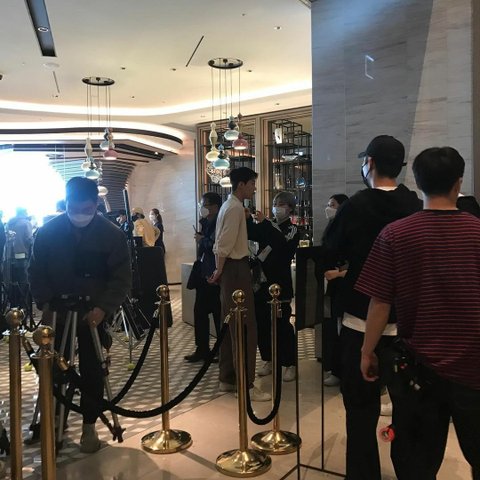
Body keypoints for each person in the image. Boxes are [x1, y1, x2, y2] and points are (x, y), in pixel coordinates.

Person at [358, 147, 480, 480]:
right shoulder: (477, 232)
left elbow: (380, 303)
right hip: (474, 366)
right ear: (458, 183)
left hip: (419, 369)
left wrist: (367, 351)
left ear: (417, 181)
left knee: (416, 465)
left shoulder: (396, 235)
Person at [323, 135, 422, 480]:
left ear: (371, 163)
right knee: (407, 409)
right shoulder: (414, 204)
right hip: (406, 324)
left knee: (360, 409)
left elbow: (330, 249)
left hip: (360, 320)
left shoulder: (356, 205)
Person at [28, 177, 131, 453]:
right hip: (56, 312)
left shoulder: (112, 234)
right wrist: (45, 304)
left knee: (93, 370)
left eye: (86, 210)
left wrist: (103, 308)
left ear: (96, 205)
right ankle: (53, 420)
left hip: (93, 313)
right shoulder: (48, 231)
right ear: (66, 204)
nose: (79, 215)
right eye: (74, 209)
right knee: (53, 369)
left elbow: (121, 278)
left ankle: (89, 426)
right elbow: (35, 272)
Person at [210, 167, 270, 402]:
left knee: (229, 323)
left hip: (230, 269)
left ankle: (228, 378)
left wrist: (219, 270)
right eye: (252, 183)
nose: (254, 188)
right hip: (235, 268)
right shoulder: (234, 208)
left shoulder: (230, 206)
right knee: (245, 325)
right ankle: (246, 384)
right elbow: (224, 244)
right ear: (242, 184)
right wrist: (219, 269)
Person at [247, 191, 299, 382]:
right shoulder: (267, 225)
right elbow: (252, 234)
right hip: (261, 282)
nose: (277, 207)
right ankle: (268, 359)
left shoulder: (292, 229)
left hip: (280, 283)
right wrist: (247, 219)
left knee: (282, 324)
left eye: (282, 204)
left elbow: (282, 246)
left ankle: (290, 363)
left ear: (290, 208)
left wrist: (267, 224)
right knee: (262, 323)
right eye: (276, 203)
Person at [184, 192, 222, 362]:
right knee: (199, 313)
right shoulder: (205, 223)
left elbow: (217, 246)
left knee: (218, 313)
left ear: (215, 207)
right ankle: (202, 349)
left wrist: (202, 240)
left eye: (205, 205)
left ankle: (221, 350)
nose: (202, 208)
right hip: (202, 273)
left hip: (215, 274)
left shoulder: (220, 223)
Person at [322, 193, 349, 387]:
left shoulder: (349, 229)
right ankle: (335, 368)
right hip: (331, 286)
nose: (328, 208)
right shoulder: (331, 227)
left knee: (343, 330)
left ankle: (343, 371)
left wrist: (339, 273)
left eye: (332, 205)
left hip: (344, 286)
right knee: (333, 328)